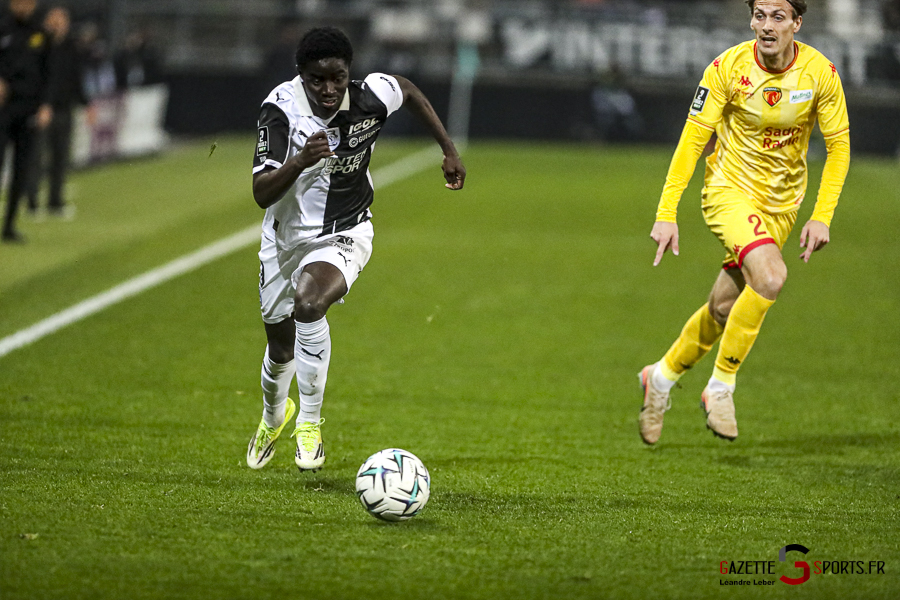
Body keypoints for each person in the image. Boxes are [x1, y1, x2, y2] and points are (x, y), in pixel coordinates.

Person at [246, 27, 465, 472]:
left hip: (347, 229)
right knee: (279, 346)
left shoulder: (371, 95)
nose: (329, 89)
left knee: (309, 303)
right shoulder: (280, 111)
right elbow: (261, 193)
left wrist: (448, 148)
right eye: (317, 80)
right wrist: (299, 160)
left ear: (349, 73)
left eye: (338, 78)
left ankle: (310, 425)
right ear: (300, 76)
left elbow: (408, 90)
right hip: (284, 238)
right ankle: (274, 417)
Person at [638, 0, 850, 444]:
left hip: (782, 207)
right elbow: (692, 140)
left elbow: (839, 149)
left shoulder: (820, 74)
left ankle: (659, 377)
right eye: (759, 15)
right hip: (728, 193)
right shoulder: (726, 68)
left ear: (797, 23)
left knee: (723, 309)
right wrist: (666, 212)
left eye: (778, 17)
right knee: (771, 276)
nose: (766, 26)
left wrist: (821, 216)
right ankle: (720, 388)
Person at [0, 0, 52, 242]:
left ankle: (9, 225)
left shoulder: (41, 32)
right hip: (3, 108)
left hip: (29, 108)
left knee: (22, 169)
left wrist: (45, 105)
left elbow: (50, 71)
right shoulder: (3, 27)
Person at [37, 6, 85, 218]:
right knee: (35, 157)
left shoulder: (72, 46)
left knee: (60, 157)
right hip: (40, 109)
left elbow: (77, 78)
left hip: (65, 108)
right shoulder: (38, 43)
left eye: (61, 19)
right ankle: (31, 202)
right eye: (54, 19)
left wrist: (86, 104)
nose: (57, 23)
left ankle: (55, 202)